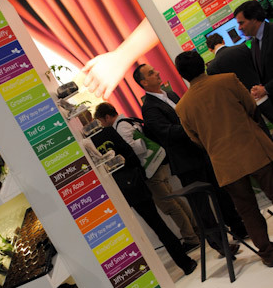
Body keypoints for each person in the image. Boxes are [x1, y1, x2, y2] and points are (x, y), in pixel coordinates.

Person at [174, 50, 273, 267]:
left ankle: (268, 254)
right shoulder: (228, 80)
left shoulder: (182, 106)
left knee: (247, 211)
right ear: (203, 64)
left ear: (182, 75)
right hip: (254, 149)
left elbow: (195, 139)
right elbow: (250, 106)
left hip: (225, 164)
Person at [137, 62, 246, 256]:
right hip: (186, 163)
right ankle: (220, 244)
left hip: (202, 152)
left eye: (155, 70)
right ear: (144, 82)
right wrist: (193, 125)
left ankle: (239, 228)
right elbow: (166, 133)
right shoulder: (149, 108)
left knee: (222, 193)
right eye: (151, 73)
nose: (157, 73)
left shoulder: (171, 95)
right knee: (202, 206)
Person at [89, 124, 197, 276]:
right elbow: (130, 156)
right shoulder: (107, 132)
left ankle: (142, 274)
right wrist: (138, 175)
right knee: (158, 225)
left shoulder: (83, 146)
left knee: (128, 235)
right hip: (132, 185)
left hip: (109, 194)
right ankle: (185, 263)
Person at [94, 102, 200, 251]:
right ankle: (196, 230)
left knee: (169, 205)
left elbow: (133, 149)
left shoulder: (121, 127)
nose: (102, 126)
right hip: (157, 163)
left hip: (150, 169)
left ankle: (191, 238)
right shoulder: (127, 121)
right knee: (174, 199)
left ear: (106, 117)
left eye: (101, 122)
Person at [234, 0, 273, 123]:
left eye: (241, 23)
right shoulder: (255, 42)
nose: (239, 28)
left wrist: (266, 89)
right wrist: (260, 88)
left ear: (254, 19)